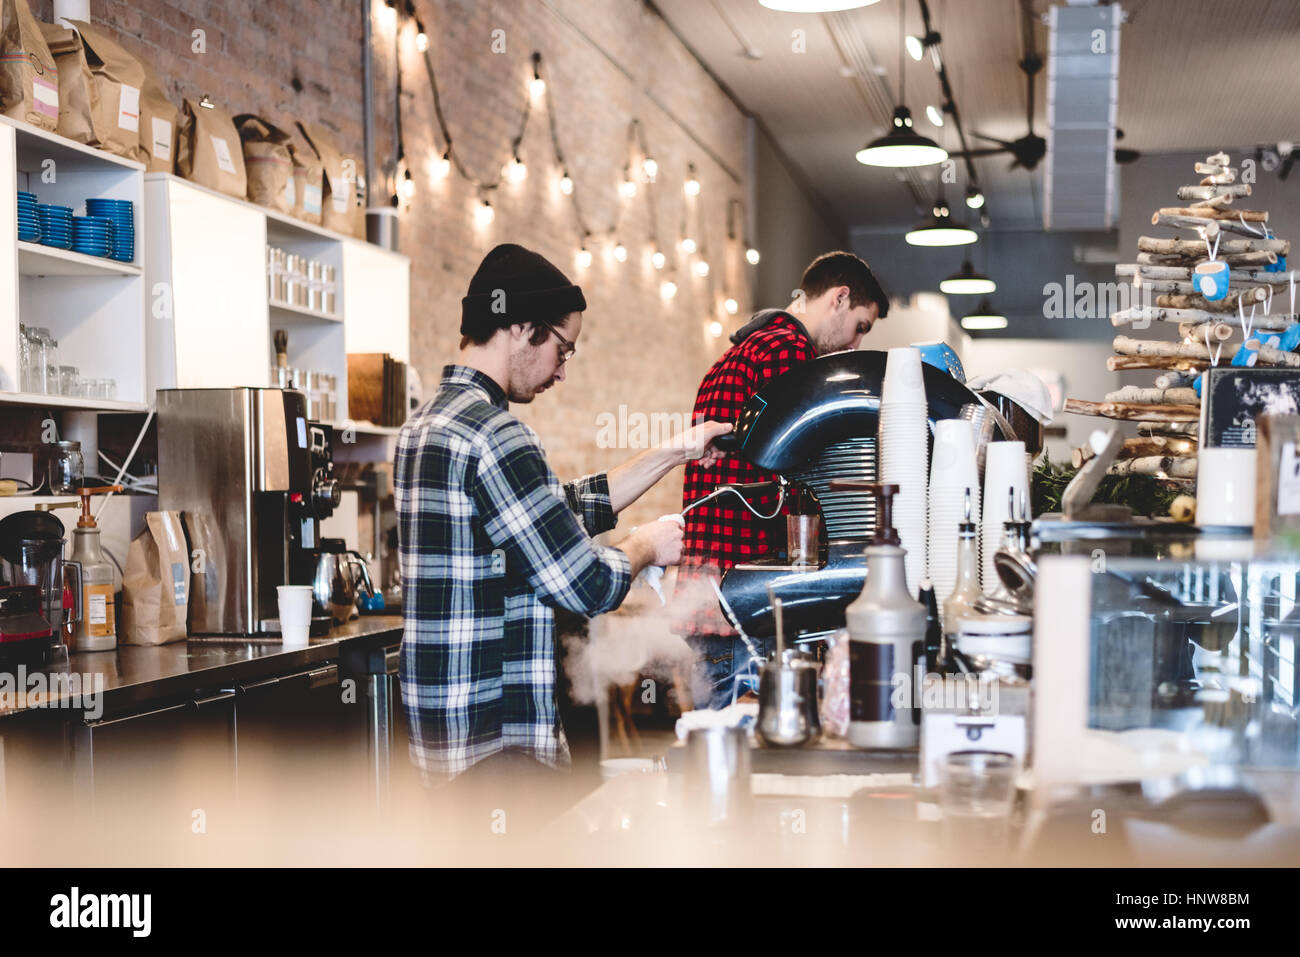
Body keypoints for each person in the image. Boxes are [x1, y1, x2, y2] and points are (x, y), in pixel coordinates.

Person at [395, 243, 729, 800]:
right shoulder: (499, 436)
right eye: (562, 349)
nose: (562, 371)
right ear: (523, 328)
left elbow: (555, 510)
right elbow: (586, 584)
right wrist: (645, 543)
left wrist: (676, 451)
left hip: (443, 742)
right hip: (499, 747)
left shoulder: (426, 426)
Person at [674, 251, 890, 709]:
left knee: (716, 741)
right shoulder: (788, 351)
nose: (854, 345)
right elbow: (804, 466)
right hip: (741, 598)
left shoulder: (742, 350)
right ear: (839, 298)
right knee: (740, 753)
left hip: (708, 595)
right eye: (861, 326)